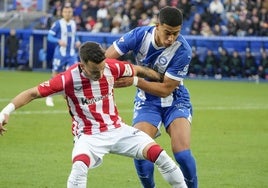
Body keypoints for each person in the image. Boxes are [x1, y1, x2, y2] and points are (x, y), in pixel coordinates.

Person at [0, 41, 187, 188]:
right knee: (79, 167)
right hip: (88, 137)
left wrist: (162, 79)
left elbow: (138, 69)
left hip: (117, 129)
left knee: (161, 156)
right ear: (82, 65)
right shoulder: (67, 79)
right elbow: (32, 93)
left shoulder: (110, 67)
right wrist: (5, 112)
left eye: (102, 68)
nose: (100, 73)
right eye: (94, 71)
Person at [105, 6, 198, 188]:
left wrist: (134, 80)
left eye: (176, 33)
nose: (171, 38)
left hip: (176, 100)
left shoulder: (183, 50)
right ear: (157, 25)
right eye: (167, 33)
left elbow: (166, 89)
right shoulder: (139, 35)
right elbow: (107, 59)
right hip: (147, 100)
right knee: (139, 151)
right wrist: (123, 71)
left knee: (182, 154)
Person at [46, 4, 81, 107]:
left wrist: (78, 41)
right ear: (62, 13)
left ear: (72, 13)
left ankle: (71, 97)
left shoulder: (74, 23)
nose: (67, 14)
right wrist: (58, 40)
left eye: (69, 12)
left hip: (71, 54)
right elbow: (49, 37)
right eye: (66, 12)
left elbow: (75, 35)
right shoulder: (58, 24)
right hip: (60, 54)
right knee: (55, 74)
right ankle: (49, 96)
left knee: (74, 74)